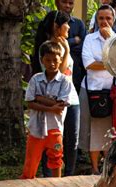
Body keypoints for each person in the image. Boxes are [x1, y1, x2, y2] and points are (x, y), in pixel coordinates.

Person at [32, 11, 81, 177]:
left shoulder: (64, 43)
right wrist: (66, 51)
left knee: (72, 139)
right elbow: (58, 74)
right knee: (52, 137)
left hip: (71, 98)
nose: (69, 26)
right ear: (56, 26)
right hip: (53, 101)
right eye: (66, 23)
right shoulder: (46, 48)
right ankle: (49, 176)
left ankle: (69, 175)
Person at [21, 41, 72, 179]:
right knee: (31, 161)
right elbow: (30, 103)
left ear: (61, 60)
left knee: (56, 159)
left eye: (55, 60)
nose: (52, 64)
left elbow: (60, 106)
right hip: (36, 127)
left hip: (54, 128)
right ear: (42, 60)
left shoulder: (65, 81)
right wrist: (50, 106)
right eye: (48, 60)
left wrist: (39, 98)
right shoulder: (35, 79)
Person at [80, 5, 116, 175]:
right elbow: (88, 64)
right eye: (101, 18)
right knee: (93, 129)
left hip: (112, 91)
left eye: (108, 18)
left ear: (113, 20)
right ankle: (94, 167)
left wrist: (111, 40)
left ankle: (107, 168)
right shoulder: (89, 39)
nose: (104, 22)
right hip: (91, 90)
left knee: (110, 131)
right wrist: (111, 65)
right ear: (96, 20)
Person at [55, 0, 86, 93]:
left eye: (71, 3)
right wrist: (73, 41)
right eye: (64, 2)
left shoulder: (79, 23)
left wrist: (65, 45)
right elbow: (53, 45)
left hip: (75, 72)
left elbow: (82, 48)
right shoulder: (51, 21)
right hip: (55, 71)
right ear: (57, 3)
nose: (67, 6)